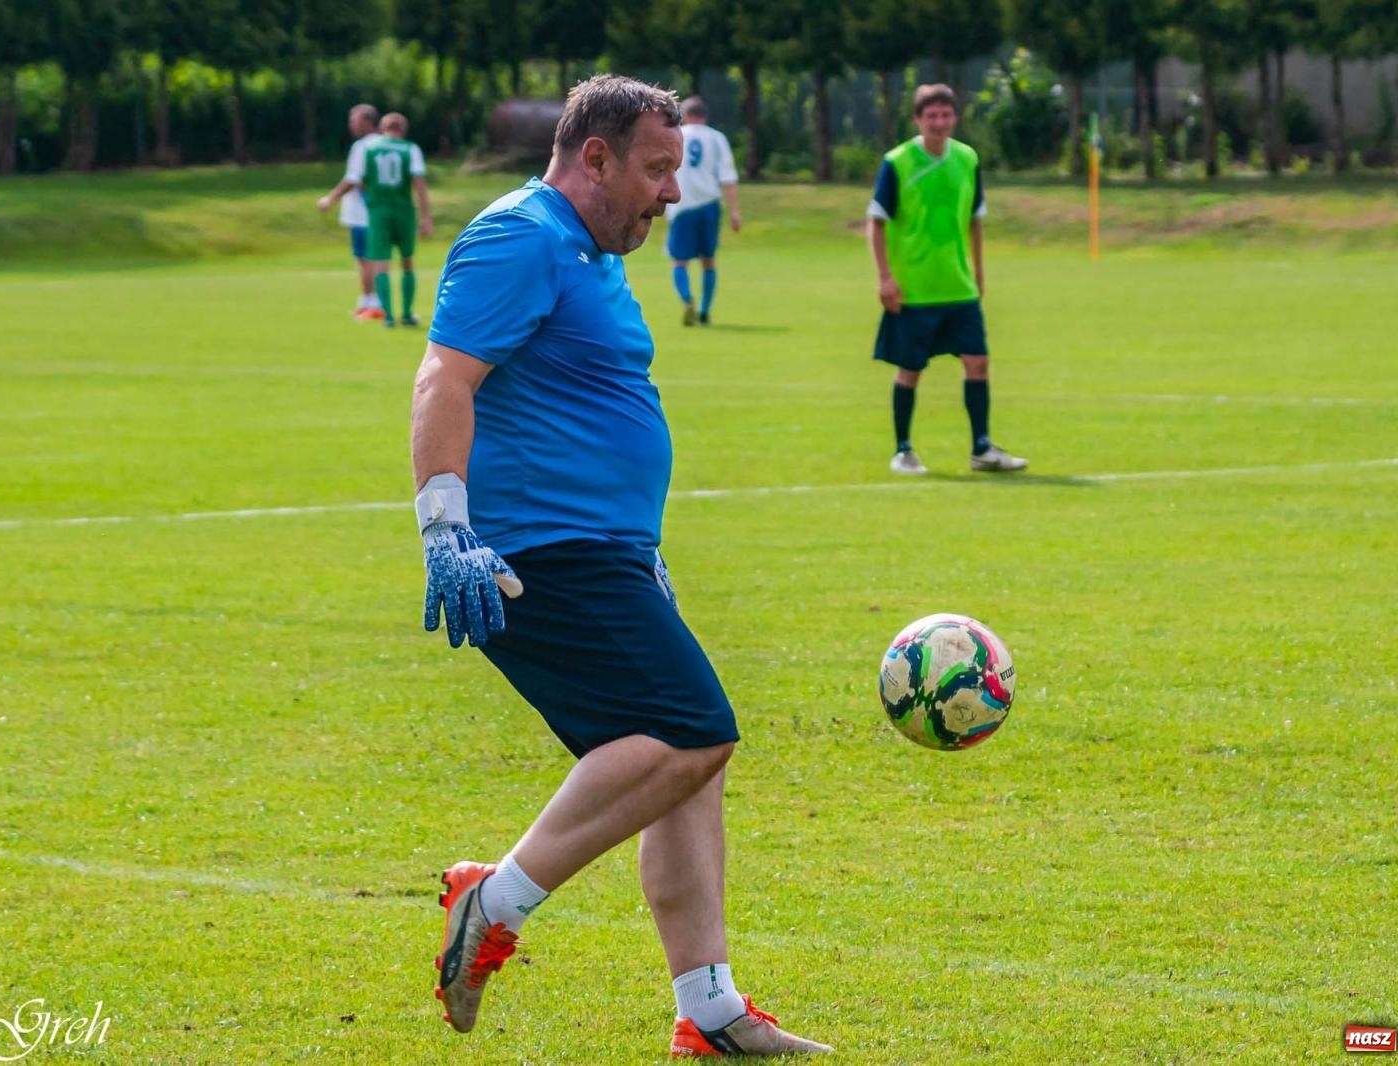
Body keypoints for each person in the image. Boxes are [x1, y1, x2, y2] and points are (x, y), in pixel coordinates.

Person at [409, 74, 832, 1058]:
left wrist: (647, 553)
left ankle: (710, 1009)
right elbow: (445, 376)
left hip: (608, 554)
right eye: (653, 170)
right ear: (590, 156)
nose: (669, 195)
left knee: (687, 770)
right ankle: (494, 898)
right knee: (693, 732)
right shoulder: (520, 235)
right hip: (535, 555)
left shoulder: (595, 252)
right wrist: (444, 525)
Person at [867, 83, 1027, 475]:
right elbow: (876, 221)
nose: (939, 122)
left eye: (946, 115)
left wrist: (978, 271)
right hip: (914, 288)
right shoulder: (898, 161)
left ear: (955, 117)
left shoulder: (967, 158)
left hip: (958, 286)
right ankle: (903, 450)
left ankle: (982, 448)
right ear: (917, 120)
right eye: (931, 116)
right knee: (910, 369)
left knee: (978, 362)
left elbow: (975, 219)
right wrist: (885, 278)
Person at [321, 111, 433, 328]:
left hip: (378, 212)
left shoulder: (369, 149)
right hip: (403, 210)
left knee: (380, 263)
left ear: (382, 128)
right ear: (403, 130)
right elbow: (419, 184)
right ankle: (407, 313)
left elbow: (358, 180)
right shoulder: (410, 149)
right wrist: (426, 217)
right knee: (407, 261)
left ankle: (388, 316)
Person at [666, 96, 741, 326]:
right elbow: (728, 178)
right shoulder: (717, 138)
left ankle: (687, 300)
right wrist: (735, 211)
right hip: (709, 205)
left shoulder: (676, 136)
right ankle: (705, 310)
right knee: (708, 260)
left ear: (684, 115)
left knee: (679, 261)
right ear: (704, 116)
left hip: (682, 206)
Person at [317, 104, 384, 320]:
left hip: (363, 211)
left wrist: (330, 198)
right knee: (373, 256)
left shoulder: (363, 147)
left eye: (355, 120)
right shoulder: (387, 144)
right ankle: (368, 302)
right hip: (381, 209)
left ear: (367, 121)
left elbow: (354, 179)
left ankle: (373, 304)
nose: (351, 124)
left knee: (365, 258)